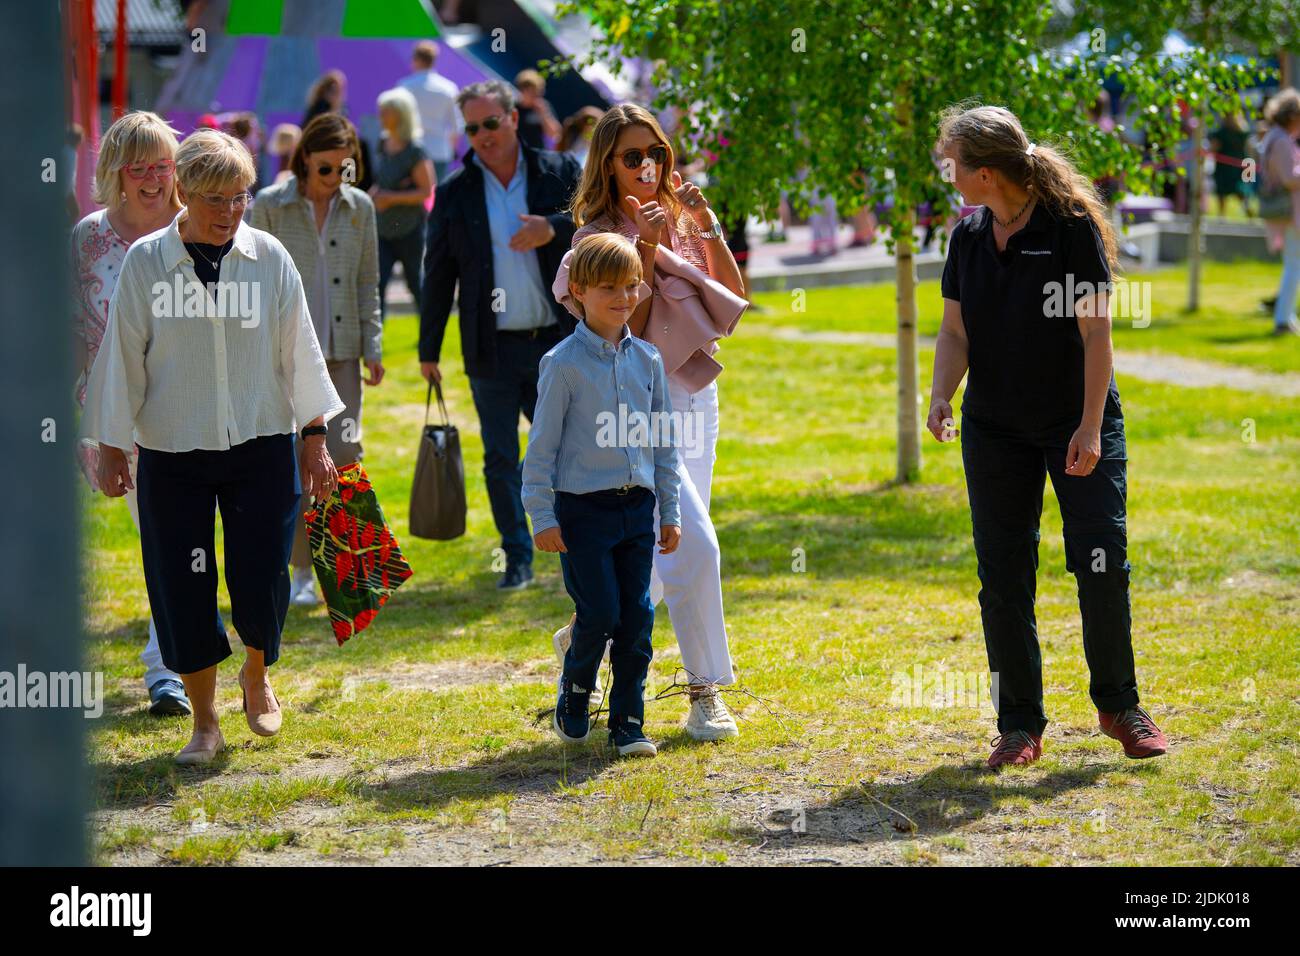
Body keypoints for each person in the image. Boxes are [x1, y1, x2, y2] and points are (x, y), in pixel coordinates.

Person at [81, 129, 344, 766]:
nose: (228, 212)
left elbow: (298, 351)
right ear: (183, 193)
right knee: (181, 585)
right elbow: (122, 357)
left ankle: (257, 674)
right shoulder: (147, 261)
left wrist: (314, 439)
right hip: (173, 452)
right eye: (214, 199)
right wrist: (113, 444)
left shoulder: (270, 258)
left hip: (259, 443)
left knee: (260, 572)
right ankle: (204, 722)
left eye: (239, 198)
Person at [930, 104, 1168, 769]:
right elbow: (954, 332)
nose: (945, 172)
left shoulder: (1069, 230)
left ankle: (1120, 707)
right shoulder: (967, 236)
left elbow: (1097, 334)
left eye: (950, 162)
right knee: (1003, 576)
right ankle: (1019, 725)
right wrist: (941, 395)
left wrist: (1091, 427)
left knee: (1100, 563)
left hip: (1075, 420)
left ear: (983, 171)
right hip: (994, 428)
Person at [561, 103, 745, 741]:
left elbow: (732, 297)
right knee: (695, 544)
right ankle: (704, 694)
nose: (647, 166)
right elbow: (621, 333)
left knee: (669, 549)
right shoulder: (596, 240)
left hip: (696, 396)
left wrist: (706, 226)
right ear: (607, 166)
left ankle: (586, 632)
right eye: (632, 156)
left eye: (656, 153)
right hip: (636, 408)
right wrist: (648, 246)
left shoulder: (683, 216)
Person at [419, 79, 583, 590]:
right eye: (472, 128)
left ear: (514, 118)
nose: (483, 135)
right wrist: (429, 349)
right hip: (490, 347)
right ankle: (518, 555)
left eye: (491, 123)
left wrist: (551, 229)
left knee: (569, 451)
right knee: (500, 457)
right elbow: (439, 273)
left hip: (556, 342)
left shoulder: (558, 170)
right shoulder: (454, 191)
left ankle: (580, 547)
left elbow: (594, 223)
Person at [522, 233, 681, 757]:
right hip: (581, 513)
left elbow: (664, 443)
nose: (623, 296)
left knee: (637, 617)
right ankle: (575, 689)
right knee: (600, 612)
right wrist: (542, 516)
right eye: (608, 287)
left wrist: (670, 509)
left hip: (636, 510)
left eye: (631, 285)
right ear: (578, 291)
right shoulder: (562, 364)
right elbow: (540, 449)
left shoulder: (650, 362)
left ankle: (628, 721)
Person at [72, 110, 192, 717]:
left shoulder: (196, 227)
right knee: (157, 540)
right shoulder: (88, 237)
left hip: (184, 410)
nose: (150, 178)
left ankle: (165, 670)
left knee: (173, 543)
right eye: (137, 166)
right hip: (109, 415)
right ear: (115, 172)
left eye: (161, 165)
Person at [251, 113, 383, 607]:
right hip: (285, 353)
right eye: (326, 168)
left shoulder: (360, 207)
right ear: (305, 158)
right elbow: (251, 278)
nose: (335, 179)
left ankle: (350, 574)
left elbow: (368, 280)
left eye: (344, 169)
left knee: (343, 453)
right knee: (295, 460)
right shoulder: (269, 205)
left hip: (344, 349)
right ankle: (302, 572)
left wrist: (373, 344)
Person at [372, 87, 434, 320]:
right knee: (378, 284)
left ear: (400, 114)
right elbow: (383, 181)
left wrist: (391, 198)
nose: (381, 116)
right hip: (383, 226)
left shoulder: (414, 149)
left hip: (409, 227)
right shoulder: (382, 142)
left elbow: (426, 191)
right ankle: (377, 341)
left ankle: (428, 334)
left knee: (414, 282)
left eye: (385, 112)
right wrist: (374, 195)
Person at [1259, 89, 1300, 336]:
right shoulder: (1282, 140)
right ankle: (1283, 319)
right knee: (1293, 264)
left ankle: (1287, 316)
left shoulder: (1274, 136)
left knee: (1292, 263)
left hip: (1282, 210)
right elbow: (1289, 179)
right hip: (1288, 211)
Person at [398, 39, 461, 185]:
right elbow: (457, 127)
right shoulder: (448, 88)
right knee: (437, 202)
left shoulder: (404, 87)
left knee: (412, 201)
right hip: (440, 152)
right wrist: (449, 152)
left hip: (410, 154)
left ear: (417, 59)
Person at [303, 69, 373, 192]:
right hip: (324, 157)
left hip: (336, 157)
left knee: (355, 148)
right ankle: (349, 187)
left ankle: (350, 187)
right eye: (334, 90)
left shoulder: (338, 111)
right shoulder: (320, 110)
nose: (339, 94)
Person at [514, 69, 562, 150]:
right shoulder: (513, 107)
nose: (534, 95)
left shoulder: (544, 108)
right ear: (522, 90)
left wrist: (543, 114)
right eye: (529, 91)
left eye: (536, 91)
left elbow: (555, 134)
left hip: (535, 152)